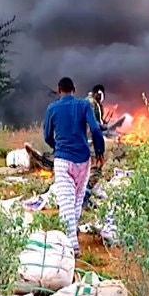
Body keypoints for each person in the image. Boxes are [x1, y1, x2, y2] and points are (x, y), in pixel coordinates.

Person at [43, 77, 105, 256]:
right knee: (77, 200)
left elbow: (47, 135)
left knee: (66, 203)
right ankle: (73, 236)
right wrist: (99, 150)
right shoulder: (84, 105)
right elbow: (95, 129)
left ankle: (72, 247)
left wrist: (57, 147)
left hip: (63, 161)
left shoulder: (52, 108)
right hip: (83, 161)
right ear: (74, 89)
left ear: (58, 90)